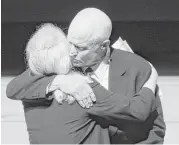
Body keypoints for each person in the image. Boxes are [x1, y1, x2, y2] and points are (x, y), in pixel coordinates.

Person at [6, 8, 166, 144]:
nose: (72, 52)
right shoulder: (63, 64)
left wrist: (150, 78)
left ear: (103, 46)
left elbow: (155, 127)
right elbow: (14, 87)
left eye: (80, 47)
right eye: (70, 43)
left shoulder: (136, 67)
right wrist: (58, 80)